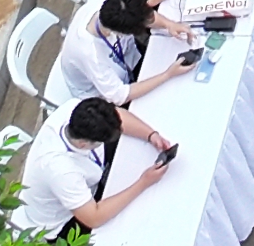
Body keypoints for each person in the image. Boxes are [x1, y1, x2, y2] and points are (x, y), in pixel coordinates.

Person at [19, 87, 178, 238]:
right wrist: (144, 182)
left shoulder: (76, 109)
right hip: (65, 220)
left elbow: (118, 117)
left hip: (89, 177)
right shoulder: (61, 171)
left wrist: (151, 135)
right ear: (83, 144)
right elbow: (93, 217)